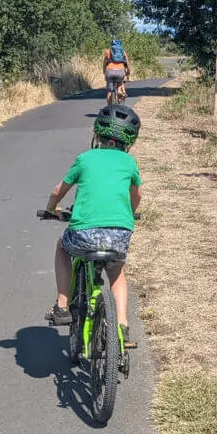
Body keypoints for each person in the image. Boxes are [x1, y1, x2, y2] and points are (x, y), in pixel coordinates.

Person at [44, 104, 142, 348]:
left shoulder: (85, 159)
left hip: (83, 234)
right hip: (119, 234)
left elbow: (58, 191)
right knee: (117, 274)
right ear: (129, 140)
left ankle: (62, 306)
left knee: (62, 248)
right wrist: (129, 213)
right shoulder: (129, 163)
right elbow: (137, 195)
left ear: (97, 134)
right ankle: (122, 325)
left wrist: (51, 208)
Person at [103, 38, 131, 103]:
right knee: (120, 81)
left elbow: (104, 63)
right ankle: (119, 90)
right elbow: (127, 63)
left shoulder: (108, 51)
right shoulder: (123, 51)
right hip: (120, 71)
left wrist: (104, 71)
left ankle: (109, 109)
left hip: (110, 71)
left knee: (109, 91)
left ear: (111, 45)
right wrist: (128, 72)